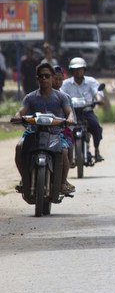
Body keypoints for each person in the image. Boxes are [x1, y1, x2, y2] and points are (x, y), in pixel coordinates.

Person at [12, 61, 74, 196]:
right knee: (19, 147)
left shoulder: (61, 96)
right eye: (41, 76)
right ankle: (25, 179)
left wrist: (70, 118)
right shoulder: (30, 97)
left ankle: (62, 183)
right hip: (33, 132)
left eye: (47, 76)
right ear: (37, 79)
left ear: (52, 77)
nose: (44, 79)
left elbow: (69, 111)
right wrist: (17, 116)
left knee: (63, 151)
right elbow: (21, 111)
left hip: (56, 133)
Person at [60, 57, 107, 162]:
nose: (78, 71)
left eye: (80, 69)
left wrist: (99, 99)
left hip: (87, 111)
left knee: (96, 126)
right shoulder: (66, 83)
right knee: (62, 130)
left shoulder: (91, 81)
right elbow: (61, 95)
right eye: (75, 69)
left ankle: (97, 150)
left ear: (84, 70)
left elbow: (97, 92)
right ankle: (65, 154)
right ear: (71, 71)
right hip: (71, 113)